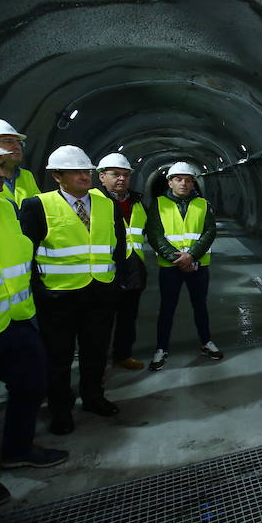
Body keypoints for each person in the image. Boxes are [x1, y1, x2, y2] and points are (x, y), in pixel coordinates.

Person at [19, 145, 126, 436]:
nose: (83, 176)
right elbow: (25, 253)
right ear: (57, 176)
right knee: (59, 357)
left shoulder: (106, 203)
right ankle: (61, 410)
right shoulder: (37, 205)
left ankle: (93, 397)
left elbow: (119, 245)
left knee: (95, 351)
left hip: (100, 293)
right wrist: (38, 291)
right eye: (76, 171)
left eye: (86, 171)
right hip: (58, 296)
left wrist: (116, 283)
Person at [0, 144, 69, 506]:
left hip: (16, 320)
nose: (2, 174)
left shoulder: (5, 209)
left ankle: (17, 448)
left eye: (2, 166)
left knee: (30, 385)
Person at [145, 161, 221, 370]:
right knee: (167, 308)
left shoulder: (203, 204)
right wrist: (177, 258)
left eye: (188, 180)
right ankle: (161, 348)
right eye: (178, 179)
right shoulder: (159, 204)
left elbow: (209, 232)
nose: (184, 184)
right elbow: (154, 234)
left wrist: (192, 255)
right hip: (170, 267)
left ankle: (206, 342)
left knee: (200, 306)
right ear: (170, 182)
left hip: (198, 265)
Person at [97, 153, 148, 371]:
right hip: (105, 270)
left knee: (128, 318)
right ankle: (97, 365)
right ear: (101, 177)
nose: (121, 179)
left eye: (125, 175)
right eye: (115, 174)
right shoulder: (93, 200)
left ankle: (123, 354)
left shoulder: (136, 201)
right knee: (100, 324)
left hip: (133, 268)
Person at [0, 119, 39, 207]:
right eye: (8, 141)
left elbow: (38, 208)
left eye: (19, 143)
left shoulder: (27, 175)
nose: (17, 147)